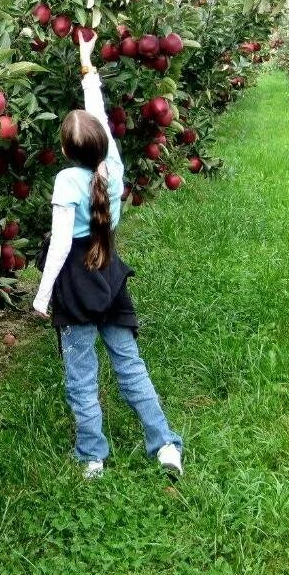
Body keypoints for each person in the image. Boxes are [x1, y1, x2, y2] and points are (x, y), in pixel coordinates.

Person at [32, 31, 183, 480]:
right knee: (130, 366)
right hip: (109, 275)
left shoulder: (66, 181)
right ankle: (165, 446)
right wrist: (88, 66)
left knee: (81, 376)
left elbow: (60, 246)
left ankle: (93, 456)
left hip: (75, 287)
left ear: (65, 151)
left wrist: (42, 297)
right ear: (100, 143)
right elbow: (96, 115)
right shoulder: (111, 170)